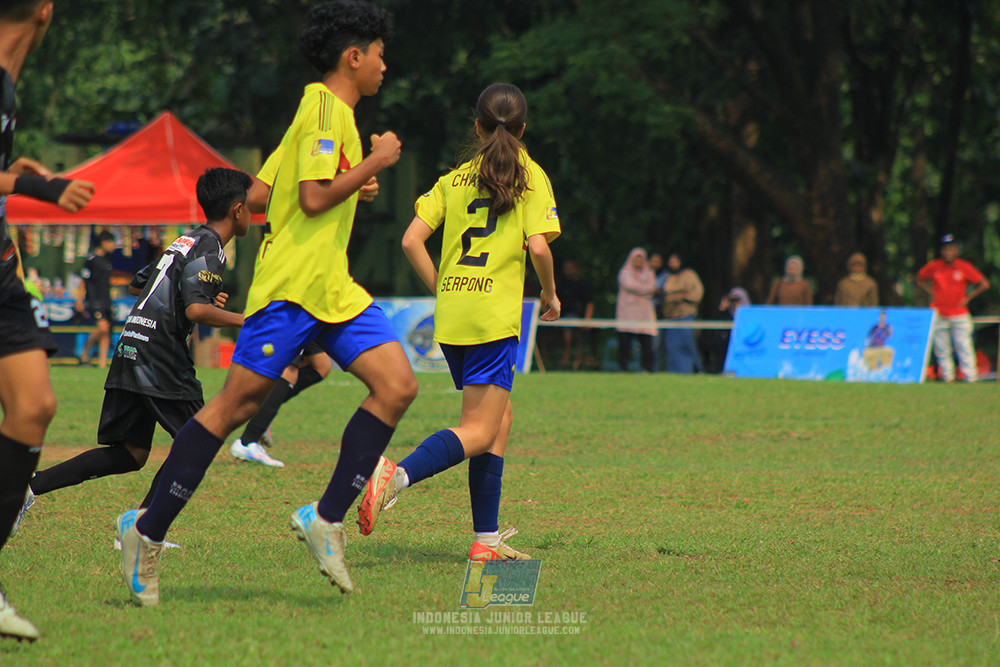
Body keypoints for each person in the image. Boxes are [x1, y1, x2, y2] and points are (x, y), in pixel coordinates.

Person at [116, 0, 414, 606]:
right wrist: (372, 166)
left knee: (397, 385)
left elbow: (265, 193)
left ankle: (325, 518)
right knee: (233, 407)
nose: (385, 64)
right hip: (293, 288)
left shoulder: (322, 114)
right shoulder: (328, 110)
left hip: (333, 289)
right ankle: (144, 530)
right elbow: (308, 199)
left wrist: (353, 181)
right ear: (354, 57)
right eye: (380, 54)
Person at [357, 82, 560, 561]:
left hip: (454, 315)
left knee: (498, 419)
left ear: (477, 126)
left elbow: (411, 241)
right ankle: (395, 475)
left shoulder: (455, 179)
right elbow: (538, 246)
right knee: (480, 429)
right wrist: (550, 293)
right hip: (492, 318)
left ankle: (485, 541)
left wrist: (443, 289)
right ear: (524, 128)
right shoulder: (530, 177)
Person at [18, 168, 250, 526]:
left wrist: (196, 295)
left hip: (132, 343)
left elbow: (140, 284)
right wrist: (246, 319)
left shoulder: (185, 240)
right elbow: (195, 311)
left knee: (132, 453)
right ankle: (143, 527)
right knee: (202, 437)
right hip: (160, 353)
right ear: (237, 210)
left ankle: (27, 490)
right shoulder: (211, 248)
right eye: (250, 205)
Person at [0, 0, 95, 642]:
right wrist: (38, 188)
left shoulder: (9, 85)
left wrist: (13, 176)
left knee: (34, 406)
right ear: (45, 10)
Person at [227, 146, 336, 469]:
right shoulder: (298, 161)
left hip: (308, 283)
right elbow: (256, 199)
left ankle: (259, 417)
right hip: (292, 282)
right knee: (286, 368)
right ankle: (249, 439)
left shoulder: (314, 159)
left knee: (320, 367)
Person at [229, 342, 332, 468]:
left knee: (321, 366)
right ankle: (247, 442)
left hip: (309, 322)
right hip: (292, 322)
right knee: (289, 369)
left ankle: (261, 411)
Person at [916, 234, 990, 383]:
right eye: (945, 249)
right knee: (942, 349)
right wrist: (930, 291)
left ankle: (970, 377)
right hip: (939, 312)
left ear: (956, 251)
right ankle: (948, 377)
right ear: (942, 251)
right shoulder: (934, 266)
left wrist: (968, 298)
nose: (948, 252)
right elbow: (919, 277)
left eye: (951, 249)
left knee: (964, 345)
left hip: (959, 313)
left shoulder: (964, 266)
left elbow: (984, 283)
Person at [77, 230, 115, 368]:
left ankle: (102, 363)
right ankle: (84, 353)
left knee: (107, 331)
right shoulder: (91, 259)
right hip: (95, 300)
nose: (113, 246)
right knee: (102, 328)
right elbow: (84, 280)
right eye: (111, 242)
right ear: (104, 242)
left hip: (106, 300)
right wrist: (80, 299)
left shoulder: (107, 260)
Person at [661, 251, 703, 373]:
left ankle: (696, 369)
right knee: (672, 347)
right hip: (670, 317)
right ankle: (675, 372)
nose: (673, 264)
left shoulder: (689, 275)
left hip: (685, 316)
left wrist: (682, 297)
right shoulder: (666, 276)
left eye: (676, 261)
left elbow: (697, 293)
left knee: (688, 344)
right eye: (671, 261)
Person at [615, 247, 656, 372]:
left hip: (644, 314)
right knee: (625, 342)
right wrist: (645, 289)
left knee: (646, 342)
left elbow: (652, 288)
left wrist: (643, 289)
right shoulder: (624, 272)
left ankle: (646, 369)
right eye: (636, 260)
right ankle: (623, 368)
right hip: (627, 313)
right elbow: (629, 285)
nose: (638, 263)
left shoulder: (650, 273)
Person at [556, 259, 593, 370]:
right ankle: (565, 355)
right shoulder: (561, 284)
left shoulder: (583, 285)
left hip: (578, 316)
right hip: (560, 316)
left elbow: (590, 303)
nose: (568, 271)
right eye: (566, 268)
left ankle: (573, 357)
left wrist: (587, 320)